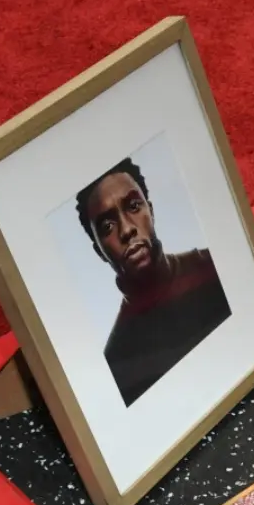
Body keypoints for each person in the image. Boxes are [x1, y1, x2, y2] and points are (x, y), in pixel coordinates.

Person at [76, 158, 231, 406]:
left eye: (134, 206)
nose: (126, 229)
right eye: (107, 226)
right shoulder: (117, 360)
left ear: (152, 211)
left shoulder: (218, 268)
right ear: (99, 251)